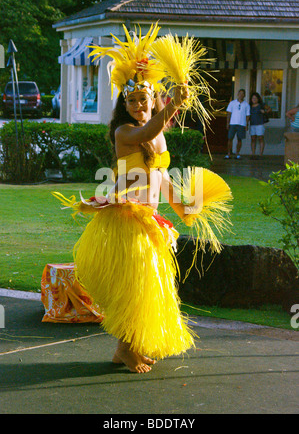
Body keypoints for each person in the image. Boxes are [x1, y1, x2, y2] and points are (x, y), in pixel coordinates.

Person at [52, 23, 232, 374]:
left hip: (148, 222)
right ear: (125, 104)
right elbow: (151, 129)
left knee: (148, 288)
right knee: (135, 290)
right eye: (131, 100)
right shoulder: (126, 133)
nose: (137, 104)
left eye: (143, 98)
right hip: (125, 221)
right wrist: (174, 108)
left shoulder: (159, 139)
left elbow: (162, 178)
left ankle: (126, 350)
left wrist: (183, 207)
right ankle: (126, 349)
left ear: (154, 99)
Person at [225, 89, 250, 159]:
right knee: (230, 138)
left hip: (242, 124)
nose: (241, 95)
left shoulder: (246, 105)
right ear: (237, 94)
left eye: (242, 94)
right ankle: (229, 154)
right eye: (240, 93)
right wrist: (228, 123)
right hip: (232, 123)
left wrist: (246, 124)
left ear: (244, 95)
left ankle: (237, 153)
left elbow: (247, 115)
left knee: (239, 139)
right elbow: (229, 113)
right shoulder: (232, 103)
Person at [249, 92, 271, 158]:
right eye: (253, 98)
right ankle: (253, 153)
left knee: (260, 138)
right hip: (252, 124)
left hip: (260, 124)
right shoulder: (249, 106)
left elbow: (269, 109)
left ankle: (261, 154)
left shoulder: (261, 105)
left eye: (255, 98)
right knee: (253, 138)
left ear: (258, 99)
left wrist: (265, 112)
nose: (254, 99)